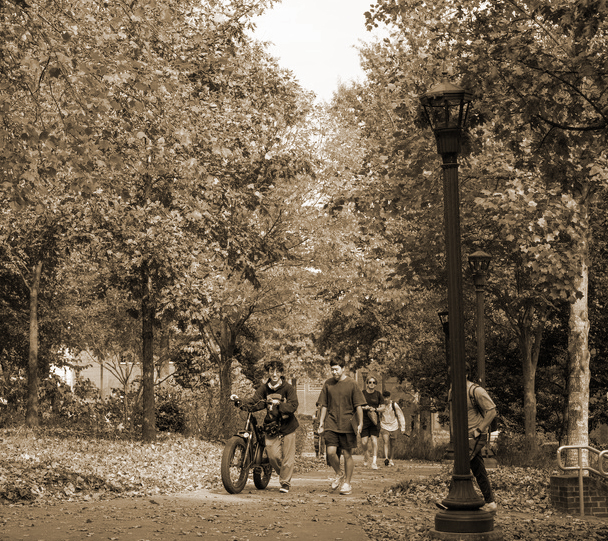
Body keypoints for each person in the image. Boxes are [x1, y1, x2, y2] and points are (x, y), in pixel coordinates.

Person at [230, 360, 299, 494]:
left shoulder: (288, 388)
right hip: (271, 426)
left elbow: (293, 406)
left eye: (277, 371)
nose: (274, 374)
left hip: (288, 426)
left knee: (288, 457)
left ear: (281, 373)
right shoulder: (264, 388)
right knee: (273, 456)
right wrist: (238, 401)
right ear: (268, 372)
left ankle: (285, 483)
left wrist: (278, 404)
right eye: (271, 371)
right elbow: (254, 402)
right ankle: (284, 474)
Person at [442, 363, 498, 513]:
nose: (453, 378)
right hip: (462, 438)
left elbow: (492, 411)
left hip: (475, 436)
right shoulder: (452, 391)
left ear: (466, 374)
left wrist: (479, 430)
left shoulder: (476, 391)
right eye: (451, 374)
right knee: (478, 468)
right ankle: (490, 502)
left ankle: (451, 499)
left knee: (460, 465)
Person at [317, 357, 367, 495]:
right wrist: (321, 422)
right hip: (331, 423)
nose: (334, 372)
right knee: (331, 452)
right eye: (332, 369)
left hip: (348, 424)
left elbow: (358, 406)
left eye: (336, 369)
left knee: (347, 454)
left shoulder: (352, 384)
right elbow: (324, 405)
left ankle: (347, 484)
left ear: (343, 368)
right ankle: (339, 474)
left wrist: (360, 423)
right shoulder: (328, 384)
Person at [360, 376, 385, 469]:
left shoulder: (378, 394)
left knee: (374, 441)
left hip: (374, 421)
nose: (372, 384)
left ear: (376, 384)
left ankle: (374, 462)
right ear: (367, 383)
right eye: (370, 382)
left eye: (374, 383)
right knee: (364, 442)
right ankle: (366, 456)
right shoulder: (362, 393)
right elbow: (357, 406)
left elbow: (383, 408)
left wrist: (375, 409)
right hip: (364, 420)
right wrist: (364, 408)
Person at [379, 390, 406, 466]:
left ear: (390, 397)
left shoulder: (394, 405)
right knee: (386, 441)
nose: (386, 399)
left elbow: (400, 415)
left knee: (393, 444)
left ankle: (391, 459)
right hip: (384, 426)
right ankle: (386, 458)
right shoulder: (381, 405)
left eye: (387, 397)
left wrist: (402, 427)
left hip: (394, 426)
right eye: (384, 397)